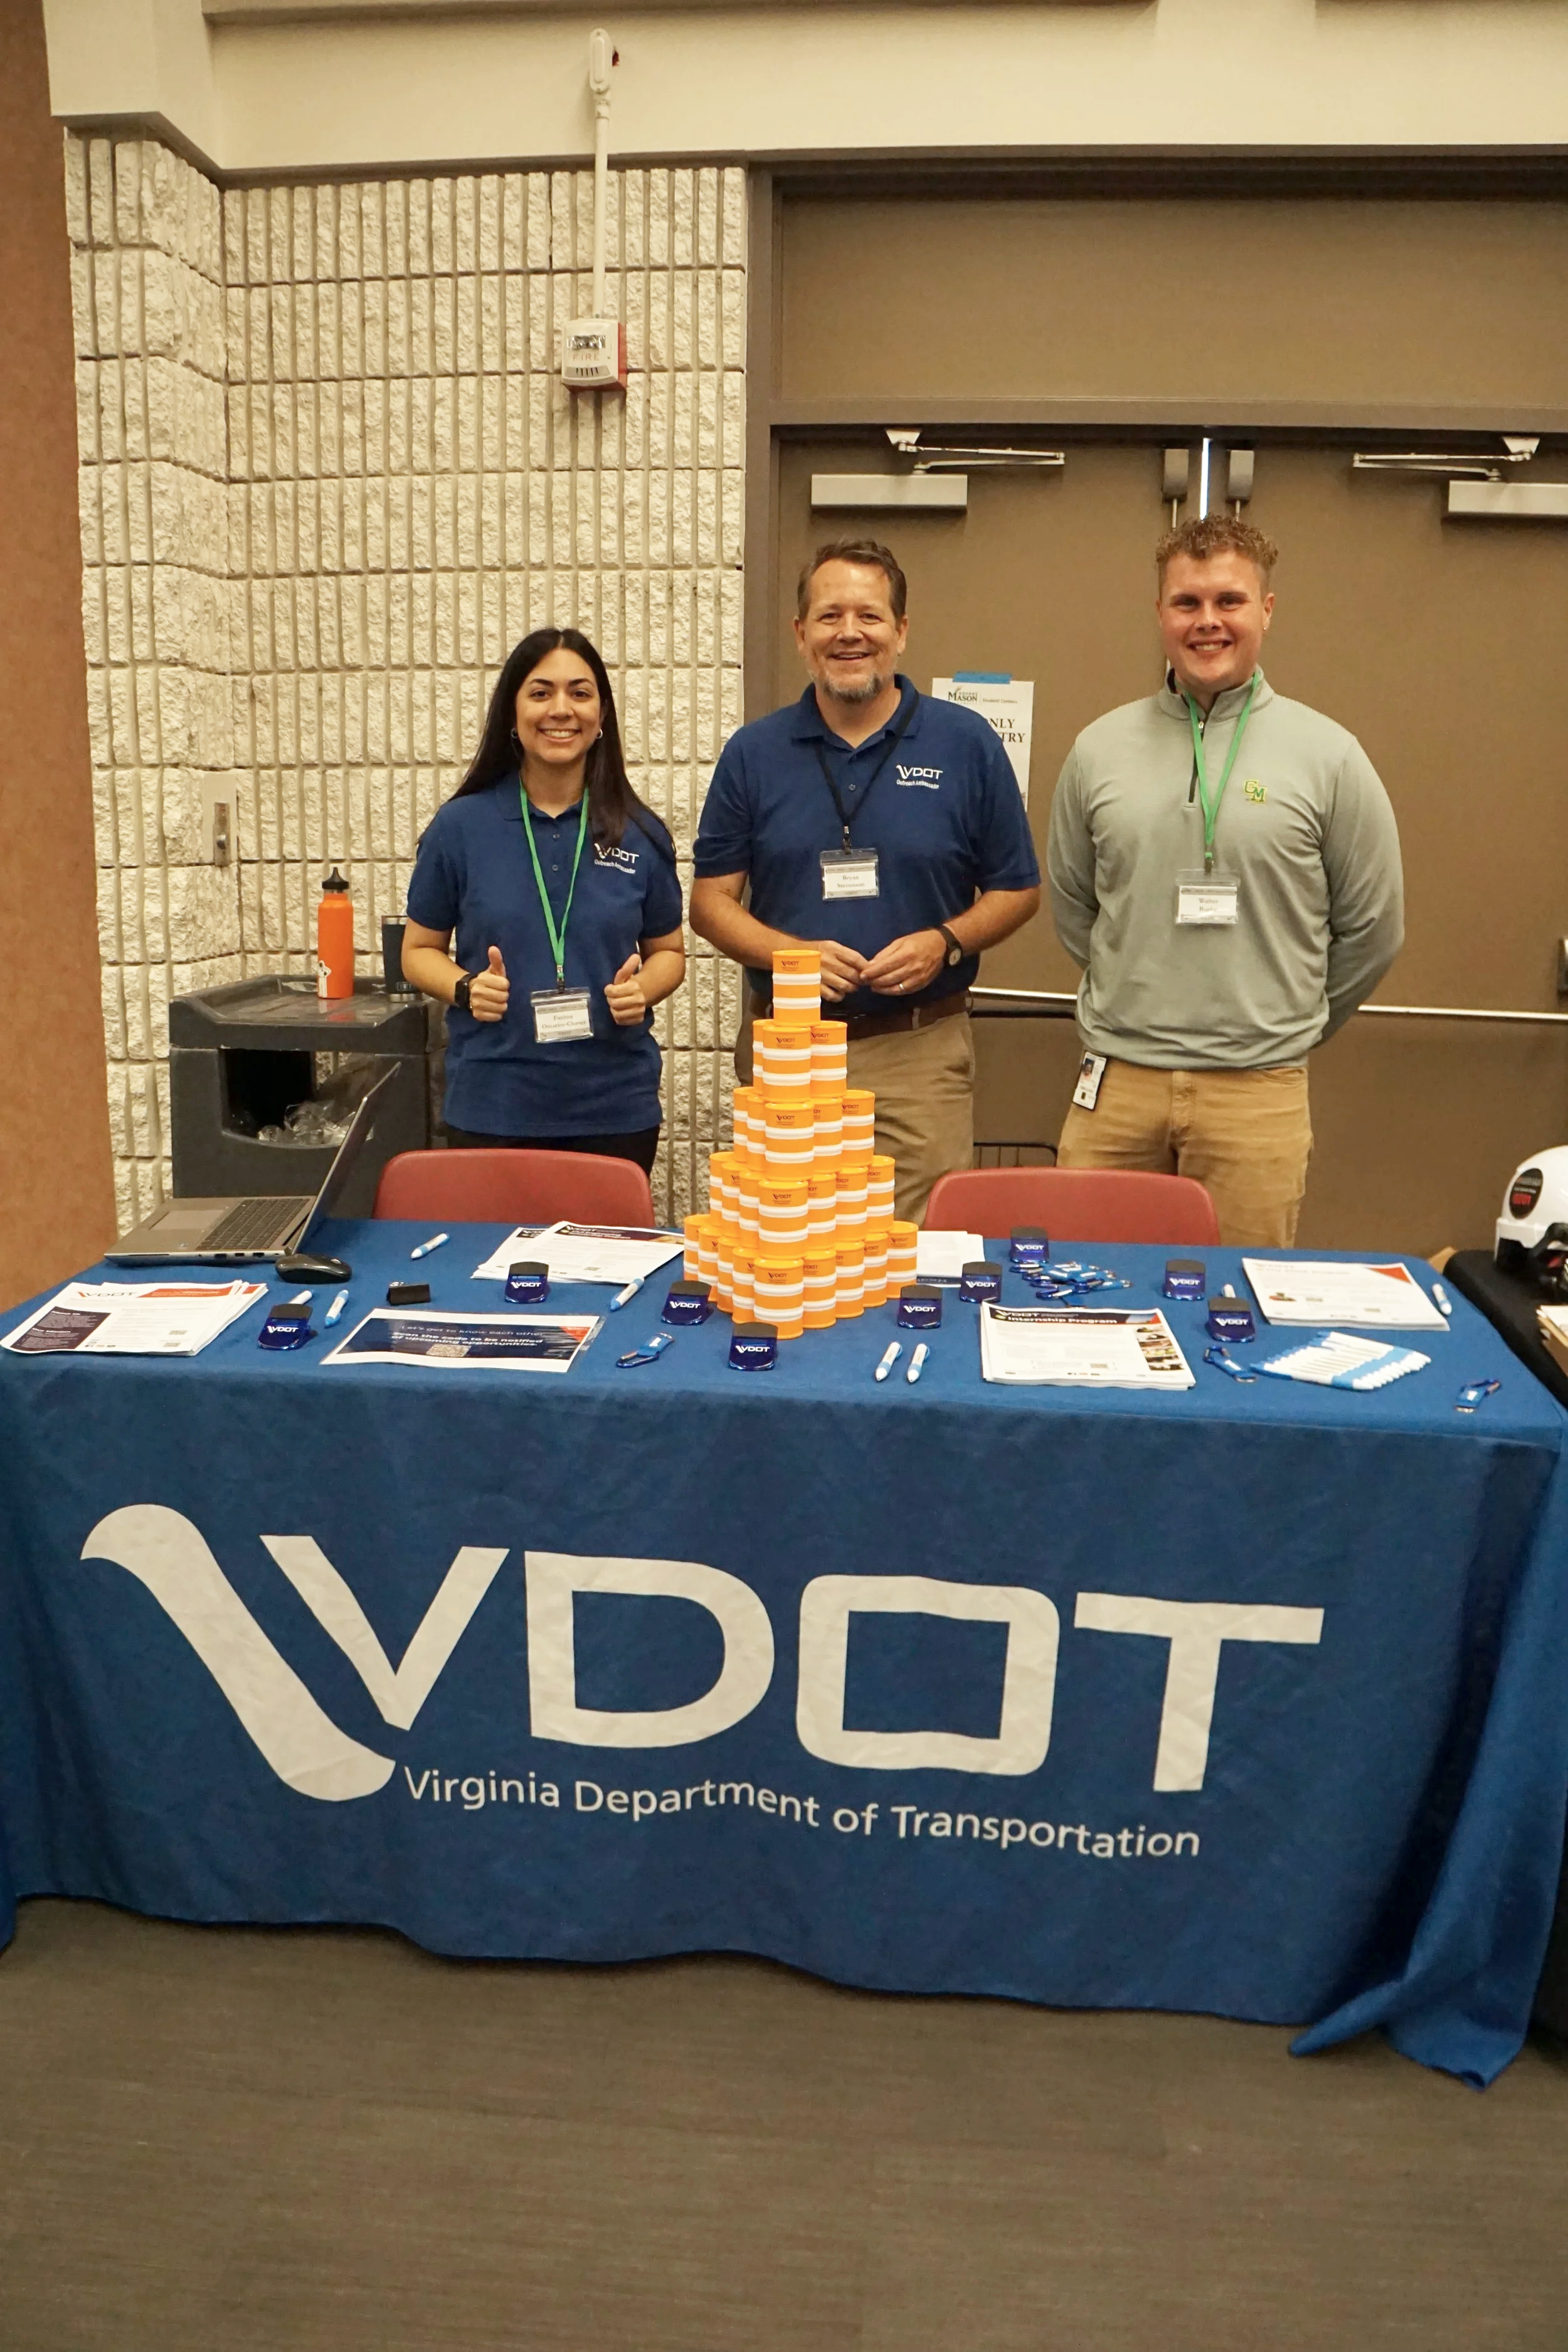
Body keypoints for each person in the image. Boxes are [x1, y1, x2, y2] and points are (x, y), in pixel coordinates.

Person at [1046, 514, 1404, 1247]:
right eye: (1187, 603)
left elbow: (1373, 927)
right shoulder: (1097, 749)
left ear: (1265, 611)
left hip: (1257, 1091)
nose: (1207, 622)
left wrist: (1284, 1021)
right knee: (1086, 1292)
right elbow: (1075, 904)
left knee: (1234, 1307)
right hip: (1118, 1083)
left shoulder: (1329, 755)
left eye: (1229, 601)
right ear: (1159, 615)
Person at [691, 538, 1041, 1222]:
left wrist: (946, 940)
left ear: (901, 632)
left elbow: (1017, 890)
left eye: (869, 616)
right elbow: (709, 904)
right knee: (789, 1258)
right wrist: (785, 957)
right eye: (828, 617)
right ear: (800, 635)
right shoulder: (752, 754)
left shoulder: (966, 745)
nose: (849, 633)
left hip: (917, 1053)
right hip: (788, 1049)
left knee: (910, 1263)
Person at [401, 628, 685, 1176]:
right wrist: (464, 988)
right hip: (493, 1104)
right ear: (512, 713)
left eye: (580, 693)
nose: (561, 709)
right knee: (492, 1263)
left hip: (614, 1107)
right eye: (540, 692)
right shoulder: (461, 828)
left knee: (603, 1263)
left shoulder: (640, 833)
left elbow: (669, 952)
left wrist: (643, 990)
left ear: (602, 716)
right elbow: (418, 950)